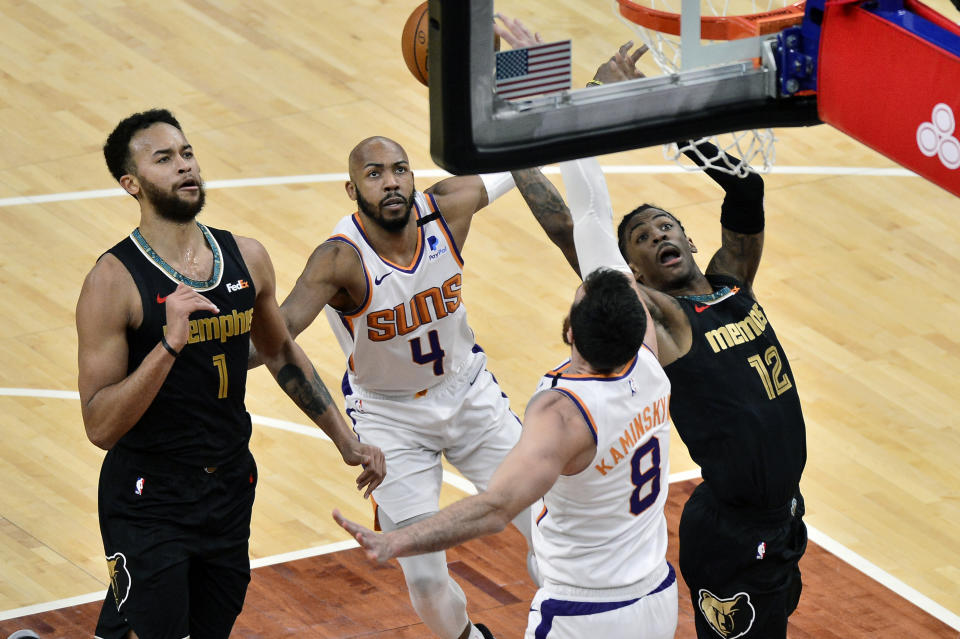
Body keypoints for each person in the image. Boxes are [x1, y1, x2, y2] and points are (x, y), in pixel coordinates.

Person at [507, 40, 809, 639]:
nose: (656, 233)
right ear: (636, 273)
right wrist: (538, 134)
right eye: (641, 237)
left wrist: (682, 126)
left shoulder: (732, 281)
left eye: (665, 225)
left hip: (785, 519)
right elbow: (576, 230)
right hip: (733, 535)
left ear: (691, 240)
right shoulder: (664, 320)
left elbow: (744, 190)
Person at [76, 108, 386, 639]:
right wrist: (169, 344)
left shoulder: (247, 257)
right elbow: (101, 427)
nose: (185, 167)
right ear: (131, 184)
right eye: (164, 159)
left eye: (188, 153)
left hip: (229, 486)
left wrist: (346, 440)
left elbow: (281, 352)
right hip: (150, 496)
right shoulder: (113, 282)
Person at [267, 135, 536, 639]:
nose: (390, 181)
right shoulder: (339, 260)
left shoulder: (447, 209)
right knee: (427, 575)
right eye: (374, 173)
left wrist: (570, 93)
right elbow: (275, 339)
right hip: (389, 416)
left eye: (400, 169)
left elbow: (520, 156)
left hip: (469, 392)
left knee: (549, 532)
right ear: (352, 190)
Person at [334, 255, 677, 639]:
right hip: (658, 595)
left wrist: (396, 541)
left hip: (585, 614)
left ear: (571, 334)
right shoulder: (649, 364)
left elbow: (496, 509)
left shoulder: (562, 415)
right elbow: (607, 258)